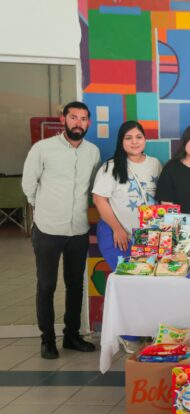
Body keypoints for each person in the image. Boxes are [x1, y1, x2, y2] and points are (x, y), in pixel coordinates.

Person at [21, 101, 100, 359]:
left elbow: (92, 187)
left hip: (78, 229)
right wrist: (43, 208)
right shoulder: (42, 148)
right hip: (48, 229)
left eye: (83, 119)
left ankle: (72, 335)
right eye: (73, 117)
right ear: (63, 119)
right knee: (46, 286)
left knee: (75, 285)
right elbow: (29, 184)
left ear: (88, 123)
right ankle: (47, 340)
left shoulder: (93, 152)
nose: (78, 123)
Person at [93, 120, 162, 270]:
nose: (134, 142)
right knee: (126, 277)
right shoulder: (110, 167)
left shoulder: (155, 164)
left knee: (147, 278)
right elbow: (99, 200)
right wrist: (117, 229)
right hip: (119, 236)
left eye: (139, 137)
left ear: (145, 139)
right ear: (121, 141)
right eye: (128, 138)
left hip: (147, 238)